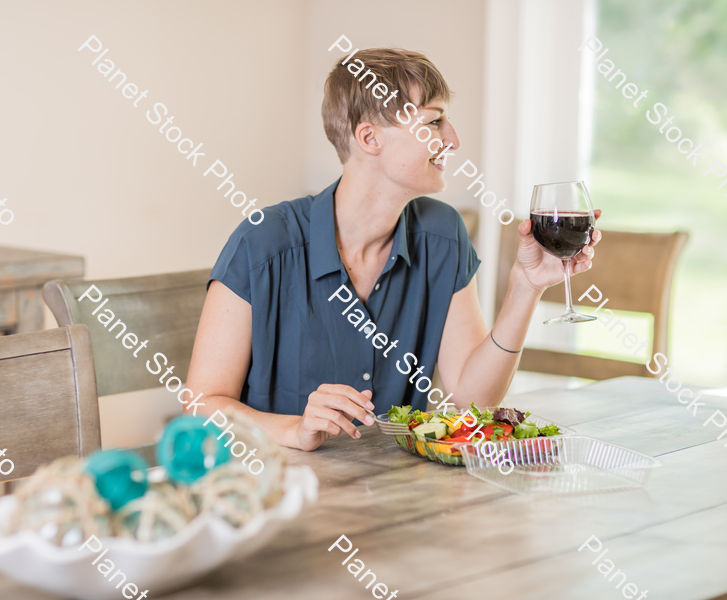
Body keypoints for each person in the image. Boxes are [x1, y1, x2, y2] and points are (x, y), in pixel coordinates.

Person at [184, 47, 601, 451]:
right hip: (276, 495)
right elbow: (202, 405)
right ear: (369, 138)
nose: (452, 139)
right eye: (434, 121)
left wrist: (526, 286)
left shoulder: (442, 235)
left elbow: (474, 401)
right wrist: (295, 429)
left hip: (394, 498)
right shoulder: (263, 244)